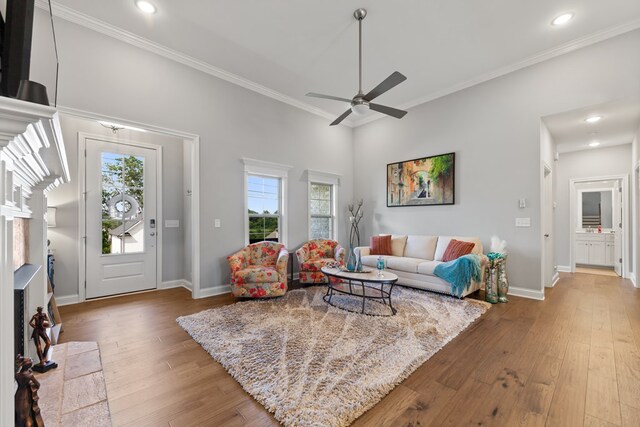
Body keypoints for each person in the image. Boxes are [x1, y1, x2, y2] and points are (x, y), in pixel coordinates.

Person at [15, 355, 44, 427]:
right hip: (26, 396)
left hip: (18, 395)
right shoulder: (29, 375)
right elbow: (38, 385)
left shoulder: (17, 375)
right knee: (26, 415)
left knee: (19, 414)